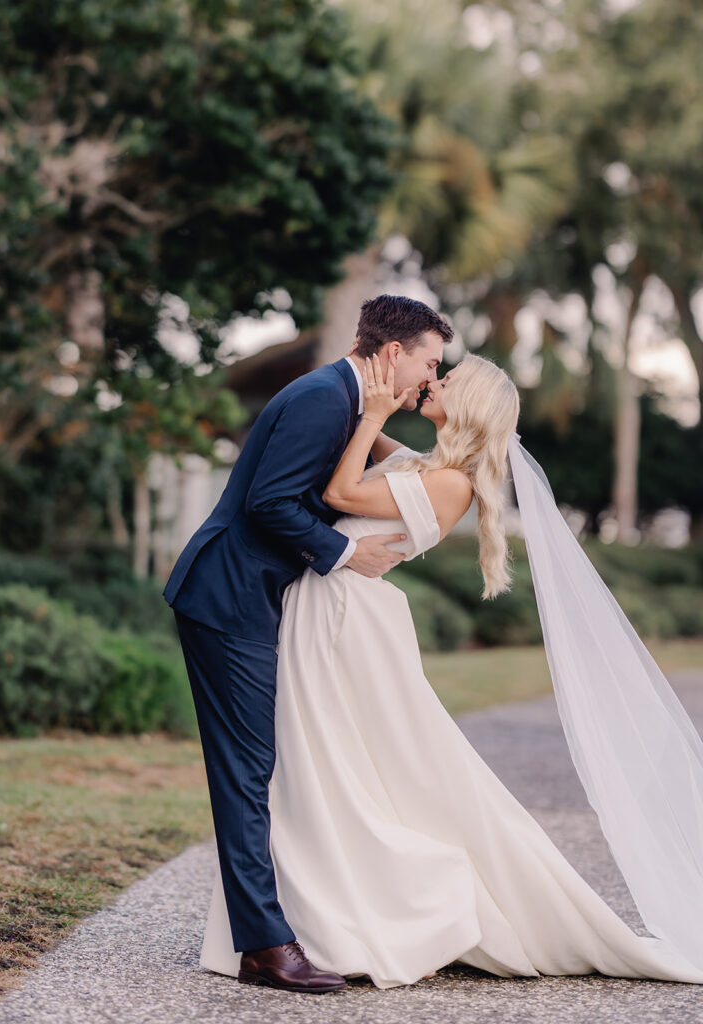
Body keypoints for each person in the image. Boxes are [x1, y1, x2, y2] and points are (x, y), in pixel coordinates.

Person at [198, 351, 703, 989]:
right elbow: (358, 437)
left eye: (447, 380)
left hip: (344, 620)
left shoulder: (451, 482)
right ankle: (303, 912)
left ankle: (399, 904)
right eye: (434, 370)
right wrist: (365, 400)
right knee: (313, 764)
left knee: (328, 760)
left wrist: (376, 410)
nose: (432, 382)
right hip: (326, 609)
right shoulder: (429, 464)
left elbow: (339, 492)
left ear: (469, 407)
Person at [163, 295, 452, 993]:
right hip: (229, 596)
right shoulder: (326, 399)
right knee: (248, 769)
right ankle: (264, 947)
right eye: (429, 362)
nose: (430, 378)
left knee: (260, 764)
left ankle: (274, 929)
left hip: (253, 599)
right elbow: (268, 503)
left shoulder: (353, 404)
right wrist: (343, 556)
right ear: (392, 353)